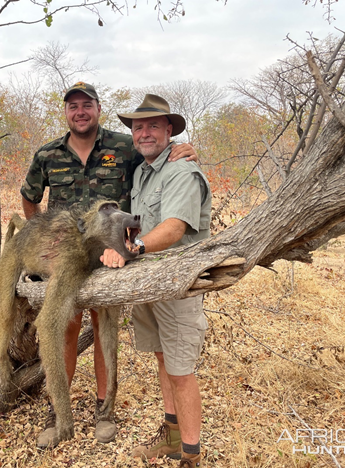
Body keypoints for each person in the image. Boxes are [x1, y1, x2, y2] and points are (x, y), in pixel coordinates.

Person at [20, 82, 198, 449]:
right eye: (73, 106)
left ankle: (105, 410)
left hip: (111, 256)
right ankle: (58, 411)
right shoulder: (48, 154)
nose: (80, 111)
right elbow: (29, 199)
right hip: (65, 258)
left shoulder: (124, 146)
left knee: (106, 329)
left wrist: (185, 149)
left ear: (98, 109)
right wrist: (41, 245)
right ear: (66, 112)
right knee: (63, 329)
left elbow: (158, 164)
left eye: (87, 105)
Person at [100, 94, 212, 467]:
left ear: (169, 130)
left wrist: (134, 249)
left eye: (153, 125)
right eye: (138, 127)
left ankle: (191, 456)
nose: (144, 133)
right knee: (164, 360)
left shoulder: (182, 170)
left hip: (177, 283)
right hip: (149, 282)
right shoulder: (142, 171)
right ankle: (172, 435)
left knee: (181, 370)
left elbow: (175, 228)